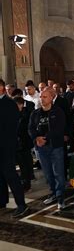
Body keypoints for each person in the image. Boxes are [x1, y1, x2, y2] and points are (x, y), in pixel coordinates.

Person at [28, 87, 66, 209]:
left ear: (51, 98)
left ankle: (60, 198)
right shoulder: (35, 113)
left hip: (55, 146)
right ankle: (53, 193)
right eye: (41, 97)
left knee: (58, 173)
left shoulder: (58, 111)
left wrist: (45, 138)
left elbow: (59, 129)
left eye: (44, 97)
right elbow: (31, 128)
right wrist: (36, 139)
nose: (42, 99)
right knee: (48, 173)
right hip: (41, 148)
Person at [0, 80, 29, 218]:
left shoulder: (9, 104)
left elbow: (11, 128)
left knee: (11, 175)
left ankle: (22, 205)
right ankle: (2, 200)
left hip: (6, 146)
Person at [13, 96, 35, 192]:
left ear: (21, 104)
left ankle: (27, 182)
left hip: (25, 142)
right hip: (17, 143)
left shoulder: (27, 113)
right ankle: (25, 180)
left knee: (25, 163)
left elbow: (26, 127)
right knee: (22, 164)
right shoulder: (13, 113)